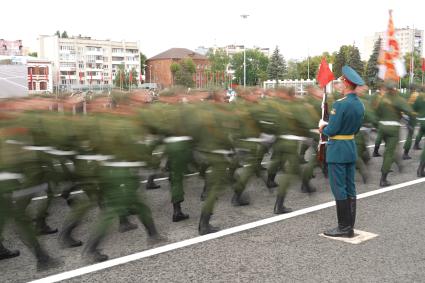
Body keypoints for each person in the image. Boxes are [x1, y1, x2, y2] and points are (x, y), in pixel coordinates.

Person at [319, 66, 365, 238]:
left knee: (339, 188)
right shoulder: (359, 105)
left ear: (346, 84)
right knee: (350, 187)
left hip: (337, 150)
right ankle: (349, 226)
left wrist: (322, 127)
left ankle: (344, 227)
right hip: (350, 147)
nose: (338, 85)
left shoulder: (340, 104)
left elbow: (332, 130)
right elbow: (357, 129)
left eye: (340, 82)